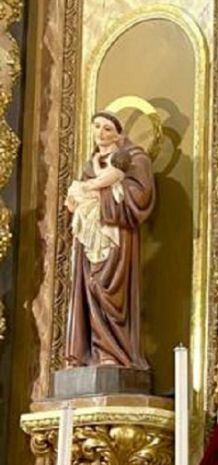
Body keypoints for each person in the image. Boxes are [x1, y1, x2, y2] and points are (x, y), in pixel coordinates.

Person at [64, 111, 155, 369]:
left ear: (118, 133)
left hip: (116, 236)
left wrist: (96, 195)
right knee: (91, 288)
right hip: (90, 237)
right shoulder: (89, 164)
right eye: (97, 127)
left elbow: (140, 197)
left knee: (111, 290)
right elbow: (76, 199)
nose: (101, 133)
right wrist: (77, 199)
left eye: (107, 129)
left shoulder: (133, 159)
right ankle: (95, 351)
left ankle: (114, 352)